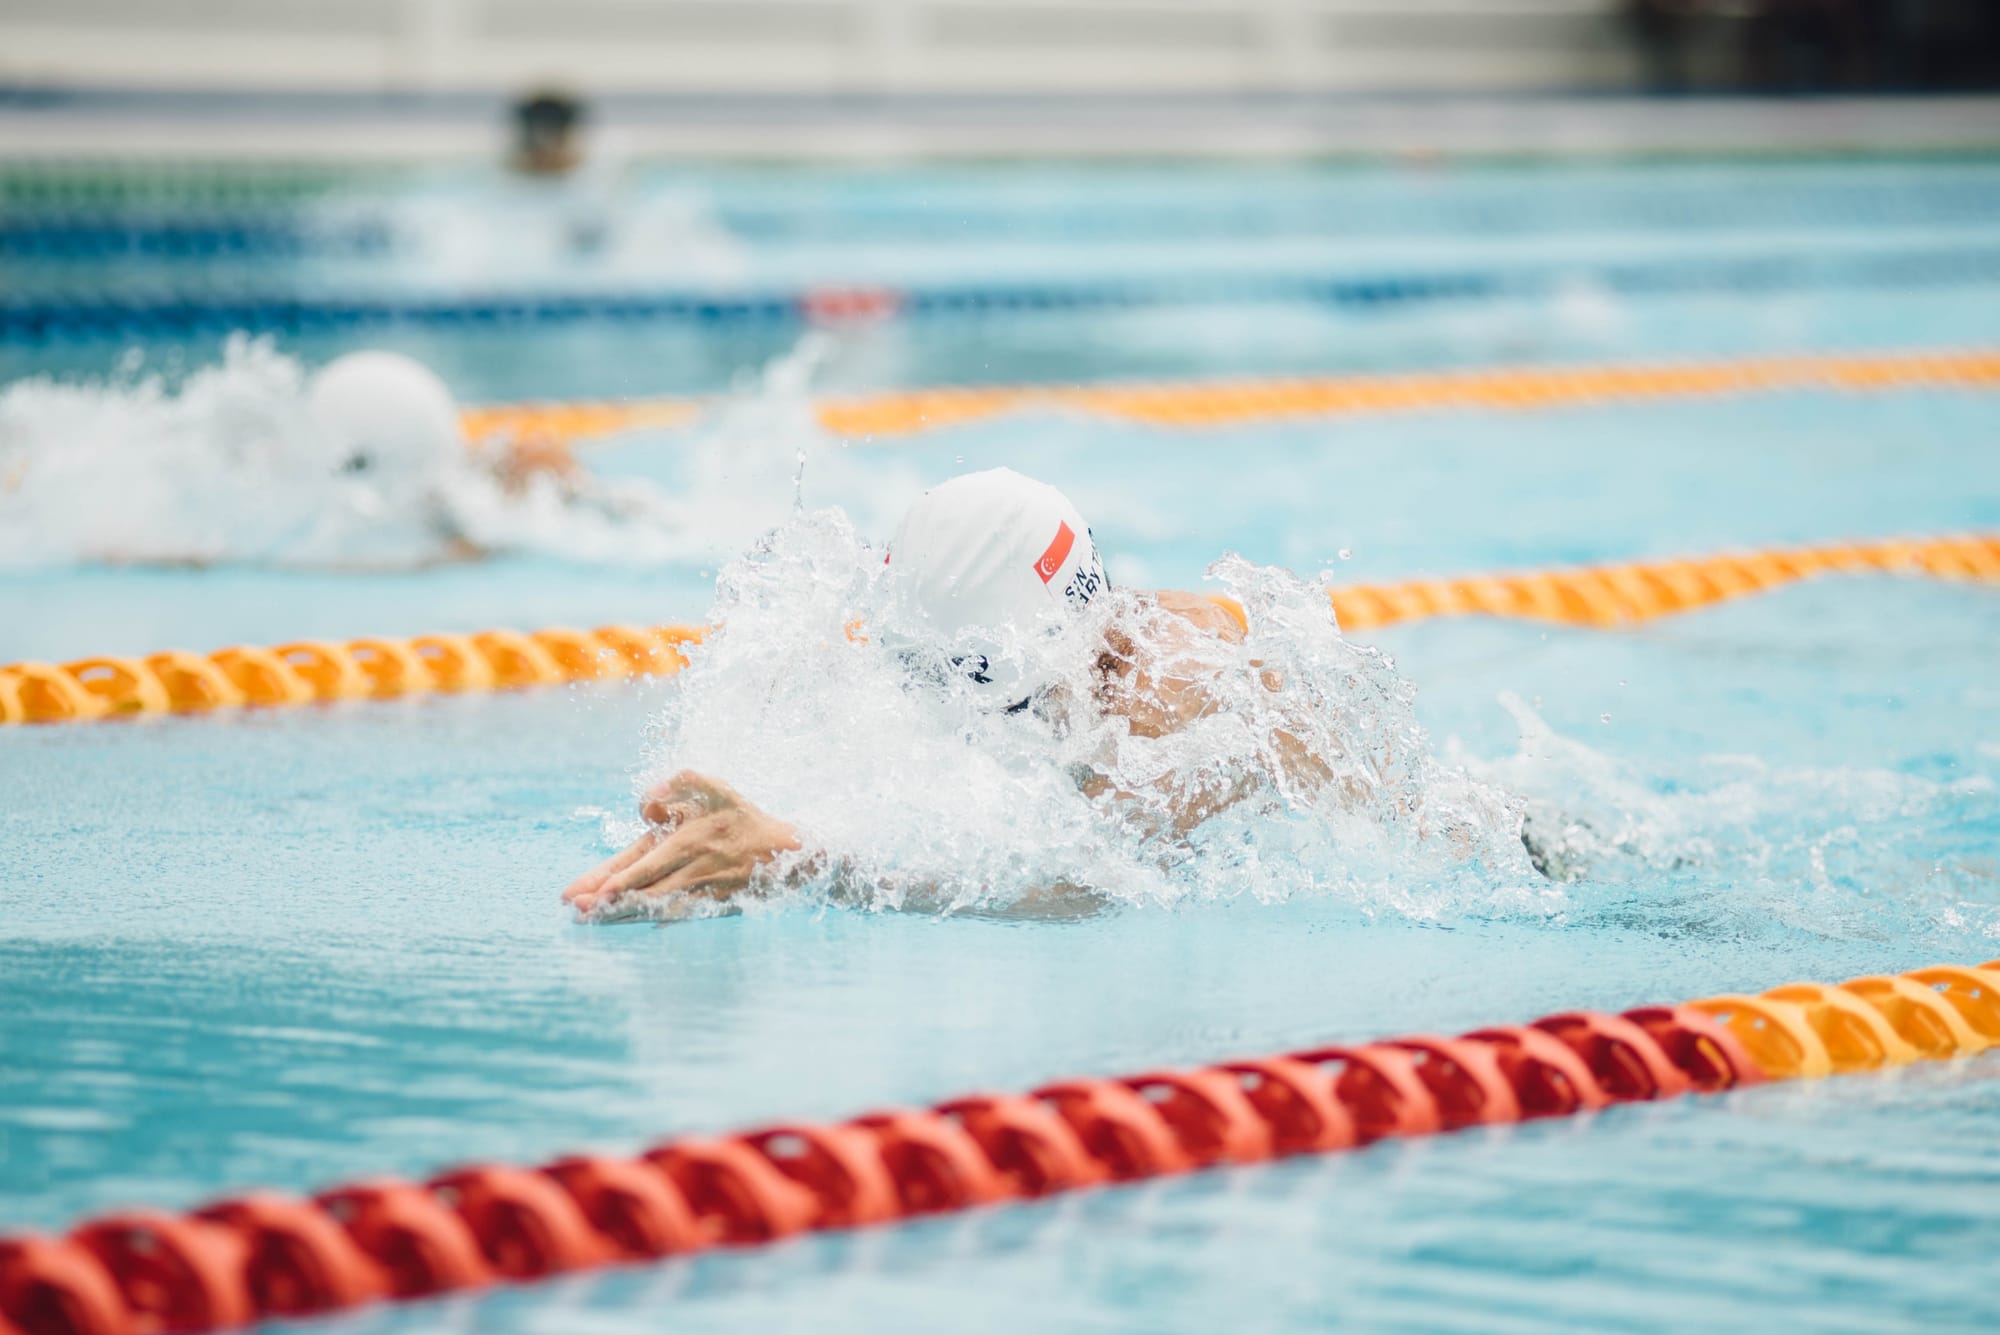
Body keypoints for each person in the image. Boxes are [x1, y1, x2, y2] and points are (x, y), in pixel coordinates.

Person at [562, 469, 1568, 921]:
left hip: (1506, 858)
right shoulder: (1004, 642)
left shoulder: (1181, 693)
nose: (958, 703)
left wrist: (798, 859)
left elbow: (1071, 887)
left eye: (983, 684)